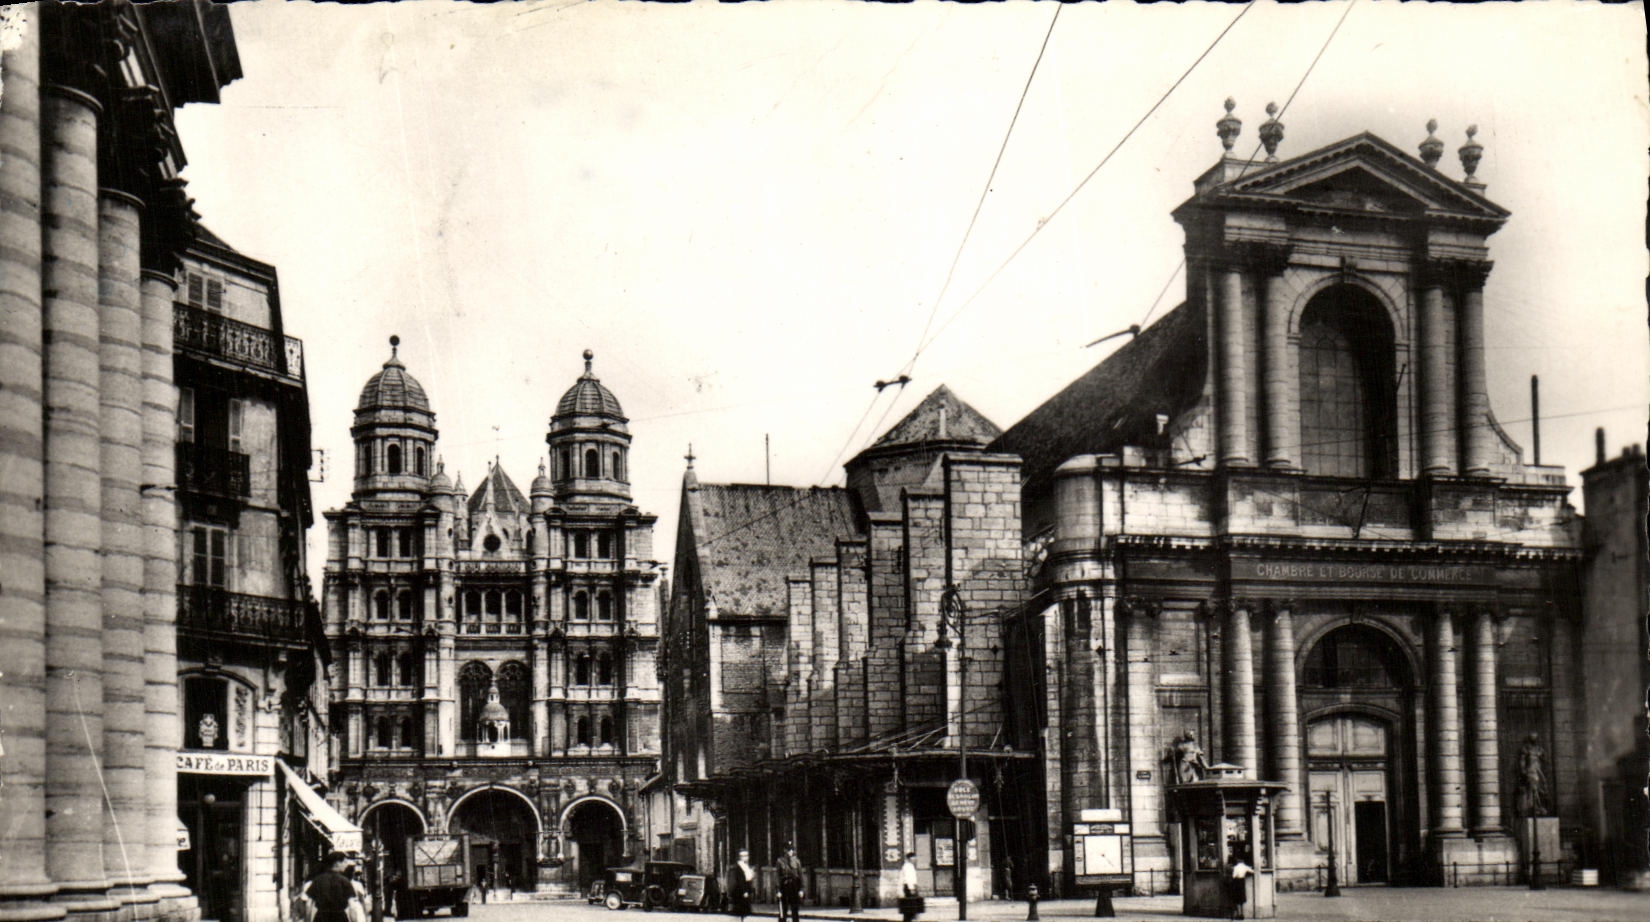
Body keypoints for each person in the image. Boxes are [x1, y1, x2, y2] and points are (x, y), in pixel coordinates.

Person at [304, 852, 359, 922]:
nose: (346, 865)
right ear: (337, 863)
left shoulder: (318, 880)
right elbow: (352, 907)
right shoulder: (345, 881)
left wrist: (307, 920)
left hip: (321, 918)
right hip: (340, 918)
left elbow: (308, 905)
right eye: (344, 862)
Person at [776, 842, 803, 922]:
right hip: (784, 887)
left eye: (792, 850)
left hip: (794, 887)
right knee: (783, 912)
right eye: (789, 850)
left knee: (795, 911)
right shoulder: (780, 861)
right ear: (785, 850)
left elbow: (800, 876)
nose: (790, 852)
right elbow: (778, 877)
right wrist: (778, 890)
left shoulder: (797, 861)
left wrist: (801, 889)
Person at [729, 849, 755, 921]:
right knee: (741, 911)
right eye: (743, 856)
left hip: (745, 889)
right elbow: (740, 880)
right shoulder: (739, 867)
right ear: (740, 857)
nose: (746, 857)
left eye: (746, 855)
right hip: (740, 892)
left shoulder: (746, 866)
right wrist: (744, 891)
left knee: (745, 912)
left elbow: (748, 878)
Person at [1227, 853, 1252, 920]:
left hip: (1237, 882)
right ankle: (1242, 914)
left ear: (1238, 860)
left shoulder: (1236, 867)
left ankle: (1238, 914)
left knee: (1236, 899)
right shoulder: (1245, 866)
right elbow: (1252, 871)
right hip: (1242, 882)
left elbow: (1234, 876)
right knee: (1242, 899)